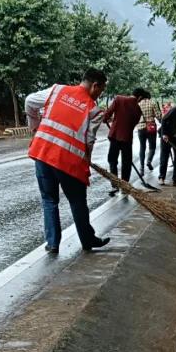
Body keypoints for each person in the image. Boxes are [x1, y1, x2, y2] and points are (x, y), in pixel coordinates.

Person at [25, 68, 111, 254]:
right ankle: (87, 240)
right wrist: (86, 162)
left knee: (49, 199)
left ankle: (53, 243)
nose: (100, 94)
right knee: (77, 200)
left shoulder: (57, 90)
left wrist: (35, 127)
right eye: (101, 90)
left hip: (43, 153)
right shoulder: (94, 110)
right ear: (95, 85)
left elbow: (29, 101)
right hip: (68, 162)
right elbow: (88, 141)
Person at [103, 87, 146, 195]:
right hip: (127, 138)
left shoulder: (119, 99)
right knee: (126, 163)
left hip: (115, 136)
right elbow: (133, 124)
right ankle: (124, 187)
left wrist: (106, 118)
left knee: (112, 160)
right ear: (139, 97)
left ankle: (115, 185)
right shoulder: (138, 110)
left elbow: (107, 114)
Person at [136, 91, 161, 172]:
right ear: (149, 96)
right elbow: (158, 116)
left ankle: (142, 167)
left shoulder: (138, 104)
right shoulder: (152, 103)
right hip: (151, 127)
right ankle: (149, 161)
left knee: (142, 147)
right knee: (152, 146)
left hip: (141, 127)